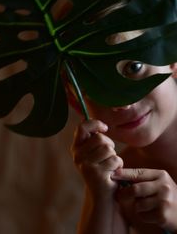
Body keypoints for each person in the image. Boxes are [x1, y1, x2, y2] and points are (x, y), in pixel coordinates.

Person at [69, 29, 177, 234]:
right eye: (95, 86)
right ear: (76, 103)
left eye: (134, 67)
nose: (123, 103)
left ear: (172, 56)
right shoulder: (119, 178)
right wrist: (101, 195)